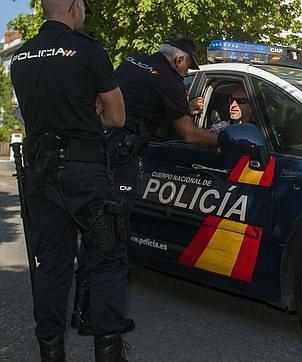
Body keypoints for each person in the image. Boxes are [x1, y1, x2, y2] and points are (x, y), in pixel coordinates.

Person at [70, 34, 217, 337]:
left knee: (95, 232)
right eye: (188, 67)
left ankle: (81, 311)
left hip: (100, 151)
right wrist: (226, 140)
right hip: (121, 160)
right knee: (113, 239)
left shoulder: (133, 61)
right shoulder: (168, 79)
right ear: (179, 59)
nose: (187, 74)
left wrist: (182, 106)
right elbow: (189, 136)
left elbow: (138, 100)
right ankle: (100, 319)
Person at [10, 0, 131, 360]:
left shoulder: (20, 58)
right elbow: (118, 117)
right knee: (107, 257)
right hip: (84, 173)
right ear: (75, 6)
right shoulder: (88, 50)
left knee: (51, 266)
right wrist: (92, 108)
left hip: (41, 176)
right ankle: (108, 352)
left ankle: (50, 352)